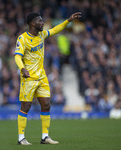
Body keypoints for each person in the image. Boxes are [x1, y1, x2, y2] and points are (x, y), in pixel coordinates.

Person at [15, 12, 81, 145]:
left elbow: (55, 30)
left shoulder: (42, 34)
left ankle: (45, 137)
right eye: (39, 21)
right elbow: (17, 56)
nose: (42, 23)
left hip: (42, 77)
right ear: (32, 23)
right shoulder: (22, 39)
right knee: (25, 106)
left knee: (46, 105)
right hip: (29, 78)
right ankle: (21, 138)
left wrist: (68, 20)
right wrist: (23, 68)